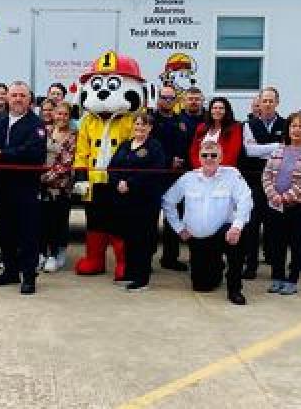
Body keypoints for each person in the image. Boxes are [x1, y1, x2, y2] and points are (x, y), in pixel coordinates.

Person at [0, 82, 46, 295]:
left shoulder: (37, 125)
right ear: (7, 98)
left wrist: (2, 155)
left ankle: (29, 276)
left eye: (22, 95)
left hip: (24, 188)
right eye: (13, 95)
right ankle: (11, 270)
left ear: (29, 99)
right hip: (0, 185)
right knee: (4, 231)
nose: (17, 99)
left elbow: (33, 153)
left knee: (27, 233)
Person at [162, 140, 252, 305]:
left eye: (213, 155)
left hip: (224, 234)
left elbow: (246, 200)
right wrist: (179, 228)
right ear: (199, 158)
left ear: (221, 157)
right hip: (199, 239)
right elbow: (168, 201)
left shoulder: (232, 175)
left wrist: (237, 227)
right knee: (201, 286)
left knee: (239, 239)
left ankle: (235, 288)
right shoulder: (188, 178)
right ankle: (217, 266)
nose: (209, 159)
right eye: (205, 155)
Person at [260, 112, 301, 295]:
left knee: (296, 244)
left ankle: (292, 280)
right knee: (277, 243)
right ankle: (277, 277)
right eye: (293, 126)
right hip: (275, 205)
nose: (296, 130)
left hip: (298, 207)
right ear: (288, 129)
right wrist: (272, 195)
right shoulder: (278, 151)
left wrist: (286, 197)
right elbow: (266, 175)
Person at [108, 113, 168, 292]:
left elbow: (154, 171)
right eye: (137, 124)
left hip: (145, 201)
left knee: (143, 239)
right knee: (129, 238)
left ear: (150, 128)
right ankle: (130, 274)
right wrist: (117, 181)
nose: (139, 128)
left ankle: (142, 278)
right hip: (124, 200)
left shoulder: (154, 147)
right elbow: (112, 167)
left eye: (144, 125)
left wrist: (130, 183)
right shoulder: (125, 145)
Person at [238, 86, 285, 280]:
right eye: (264, 101)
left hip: (277, 182)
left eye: (271, 101)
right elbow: (249, 151)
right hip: (254, 181)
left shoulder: (286, 123)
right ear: (260, 103)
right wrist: (274, 146)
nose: (267, 104)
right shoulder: (249, 124)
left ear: (277, 103)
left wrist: (262, 149)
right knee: (252, 225)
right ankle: (251, 265)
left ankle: (275, 267)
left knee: (275, 225)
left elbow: (285, 151)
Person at [151, 84, 192, 273]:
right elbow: (150, 147)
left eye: (171, 98)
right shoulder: (150, 120)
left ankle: (170, 257)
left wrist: (181, 161)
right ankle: (147, 257)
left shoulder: (181, 121)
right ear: (158, 98)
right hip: (156, 175)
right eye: (164, 97)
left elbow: (186, 145)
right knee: (151, 219)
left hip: (177, 176)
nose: (167, 101)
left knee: (174, 218)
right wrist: (169, 160)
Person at [39, 100, 75, 273]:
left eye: (65, 114)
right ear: (53, 115)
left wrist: (46, 177)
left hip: (61, 187)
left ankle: (55, 254)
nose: (61, 117)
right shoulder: (44, 132)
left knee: (57, 221)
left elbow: (66, 163)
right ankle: (41, 254)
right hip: (41, 186)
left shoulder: (73, 136)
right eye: (58, 113)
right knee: (41, 221)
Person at [189, 97, 243, 169]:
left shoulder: (234, 128)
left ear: (226, 111)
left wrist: (214, 169)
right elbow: (193, 152)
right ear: (210, 111)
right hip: (201, 171)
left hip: (223, 172)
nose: (217, 110)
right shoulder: (201, 127)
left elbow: (232, 154)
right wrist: (201, 168)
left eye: (221, 108)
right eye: (214, 108)